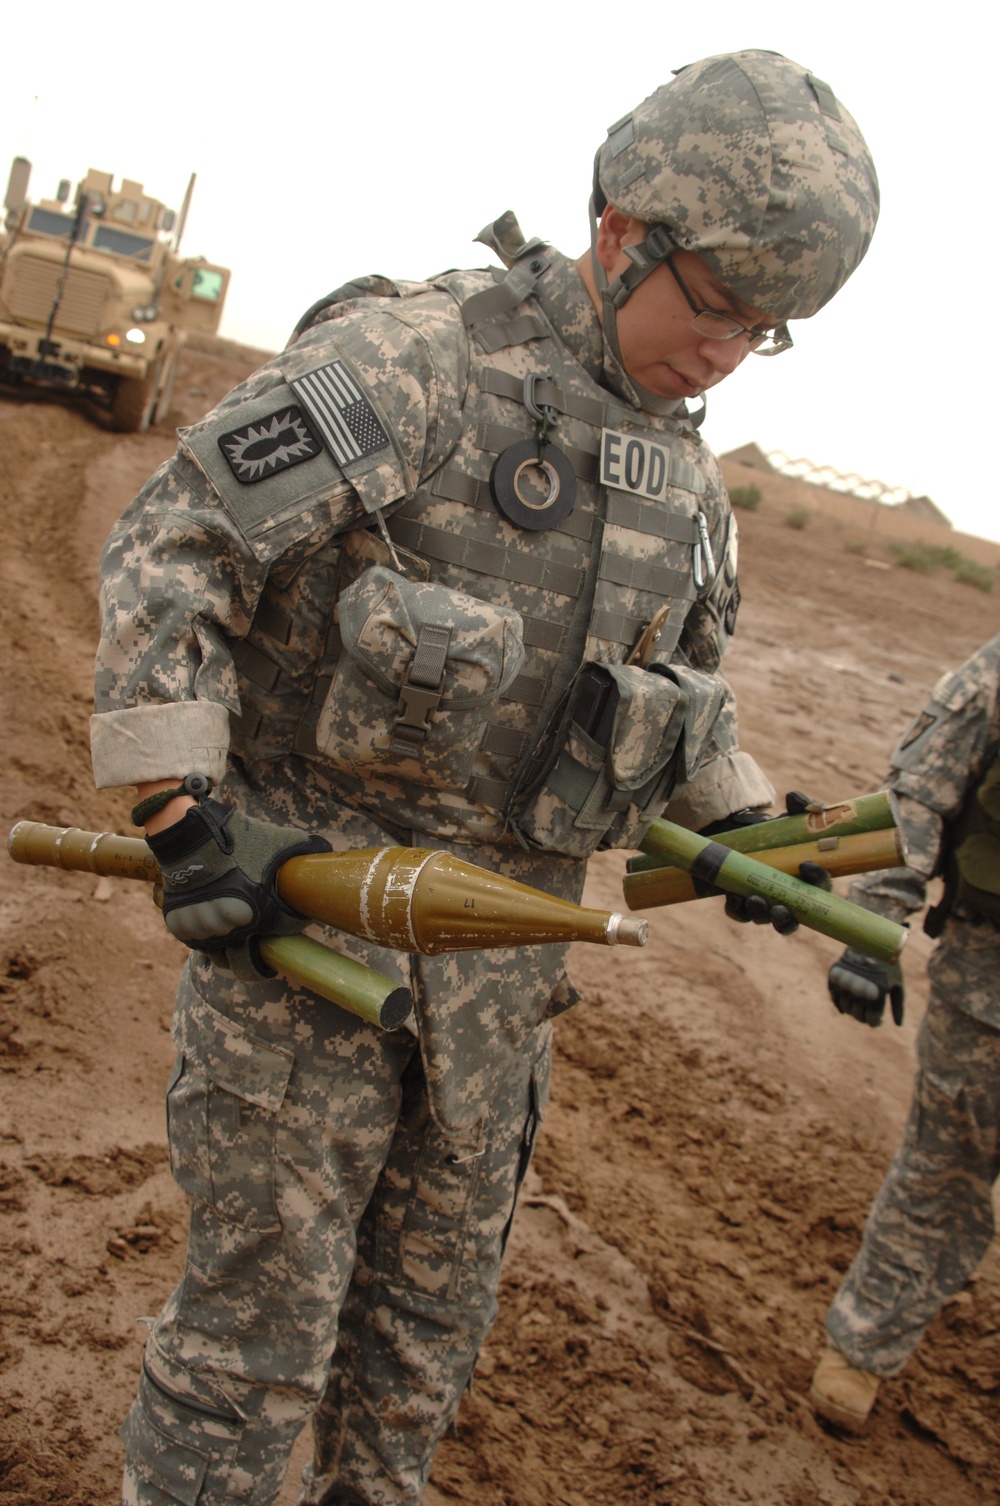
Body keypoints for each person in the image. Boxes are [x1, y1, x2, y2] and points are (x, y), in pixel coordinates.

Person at [91, 51, 879, 1506]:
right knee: (249, 1358)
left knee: (416, 1372)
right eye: (713, 303)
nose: (724, 351)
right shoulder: (419, 362)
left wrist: (758, 830)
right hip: (307, 952)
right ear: (620, 231)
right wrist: (177, 809)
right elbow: (175, 539)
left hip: (499, 1006)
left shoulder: (686, 486)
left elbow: (683, 703)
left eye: (763, 331)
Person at [810, 635, 1000, 1434]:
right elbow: (918, 799)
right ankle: (860, 1351)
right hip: (990, 986)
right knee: (942, 1174)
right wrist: (872, 927)